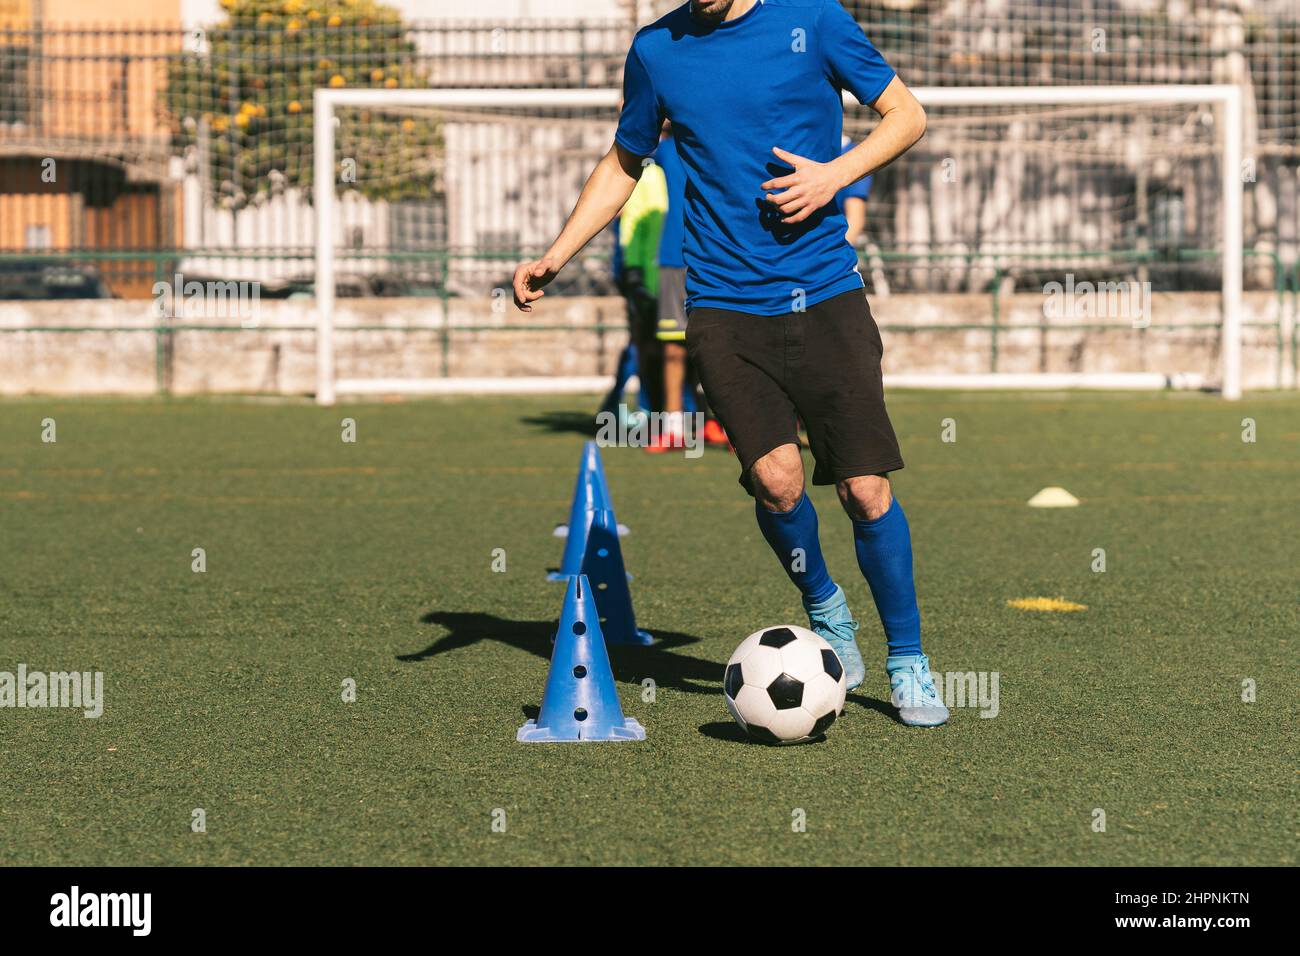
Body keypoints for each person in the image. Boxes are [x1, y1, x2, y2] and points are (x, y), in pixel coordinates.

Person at [513, 0, 947, 727]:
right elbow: (626, 158)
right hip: (720, 304)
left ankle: (909, 661)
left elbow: (907, 115)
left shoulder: (816, 18)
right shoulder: (657, 49)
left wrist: (834, 175)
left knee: (865, 489)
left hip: (825, 293)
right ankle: (827, 609)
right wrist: (558, 253)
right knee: (777, 484)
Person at [646, 125, 728, 453]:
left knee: (721, 347)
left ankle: (722, 422)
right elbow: (634, 141)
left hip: (715, 256)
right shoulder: (664, 150)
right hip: (672, 257)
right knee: (673, 348)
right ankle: (675, 426)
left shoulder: (718, 136)